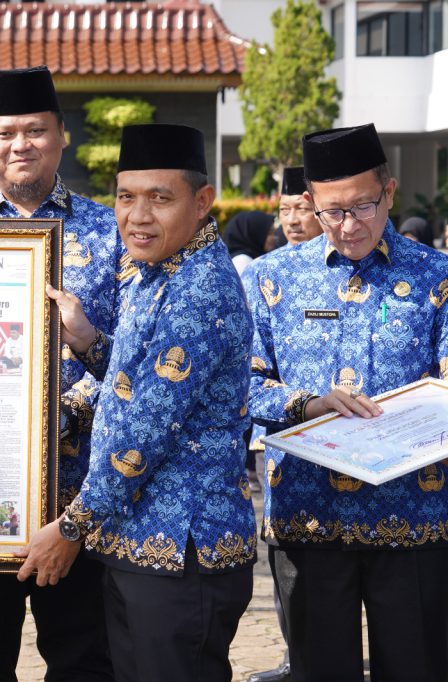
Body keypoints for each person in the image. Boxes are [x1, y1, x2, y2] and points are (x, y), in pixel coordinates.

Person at [24, 123, 257, 681]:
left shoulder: (199, 286)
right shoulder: (158, 271)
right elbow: (145, 382)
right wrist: (87, 341)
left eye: (160, 198)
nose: (138, 215)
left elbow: (145, 428)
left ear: (201, 202)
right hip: (142, 546)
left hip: (182, 551)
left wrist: (70, 528)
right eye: (126, 197)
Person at [0, 66, 125, 681]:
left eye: (36, 130)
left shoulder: (112, 232)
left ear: (62, 136)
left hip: (79, 497)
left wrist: (65, 406)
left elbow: (135, 357)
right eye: (6, 132)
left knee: (85, 659)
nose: (21, 145)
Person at [245, 123, 448, 681]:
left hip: (415, 519)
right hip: (309, 520)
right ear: (309, 203)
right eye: (332, 211)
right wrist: (307, 405)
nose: (348, 225)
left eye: (362, 206)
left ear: (390, 191)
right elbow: (242, 381)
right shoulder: (270, 280)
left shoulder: (437, 278)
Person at [245, 164, 321, 682]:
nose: (293, 219)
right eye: (284, 209)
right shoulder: (267, 274)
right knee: (290, 573)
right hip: (291, 457)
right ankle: (298, 658)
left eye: (302, 208)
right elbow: (251, 372)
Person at [222, 210, 274, 275]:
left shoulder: (252, 256)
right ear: (254, 233)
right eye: (269, 233)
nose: (273, 237)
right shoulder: (243, 261)